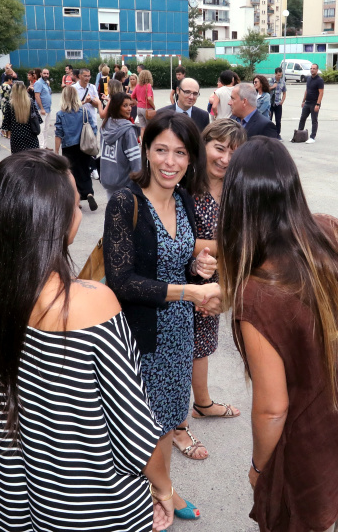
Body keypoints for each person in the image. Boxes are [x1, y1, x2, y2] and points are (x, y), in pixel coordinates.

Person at [0, 150, 175, 532]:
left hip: (6, 505)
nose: (79, 212)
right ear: (57, 223)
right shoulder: (92, 305)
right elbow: (135, 433)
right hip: (89, 513)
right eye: (75, 204)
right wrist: (164, 488)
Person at [216, 136, 338, 532]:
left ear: (237, 201)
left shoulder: (257, 296)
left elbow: (272, 409)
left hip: (317, 446)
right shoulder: (329, 232)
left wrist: (258, 467)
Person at [103, 111, 221, 523]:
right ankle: (162, 491)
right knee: (144, 424)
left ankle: (160, 487)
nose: (170, 162)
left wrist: (199, 269)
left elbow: (180, 260)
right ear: (146, 150)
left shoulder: (184, 199)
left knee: (169, 418)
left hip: (178, 331)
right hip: (138, 335)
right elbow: (122, 281)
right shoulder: (124, 203)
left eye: (180, 153)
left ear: (191, 159)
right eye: (161, 151)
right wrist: (189, 290)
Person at [172, 119, 246, 462]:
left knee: (201, 347)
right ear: (204, 146)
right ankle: (176, 425)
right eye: (219, 148)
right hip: (180, 281)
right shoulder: (184, 185)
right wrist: (220, 246)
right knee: (176, 352)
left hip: (213, 282)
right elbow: (174, 240)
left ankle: (202, 404)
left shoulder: (235, 189)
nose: (226, 158)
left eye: (234, 151)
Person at [55, 85, 99, 211]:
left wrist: (57, 151)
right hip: (84, 146)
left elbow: (58, 133)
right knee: (85, 170)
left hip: (69, 147)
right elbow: (93, 128)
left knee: (71, 173)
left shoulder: (60, 114)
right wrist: (93, 140)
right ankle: (89, 192)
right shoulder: (84, 111)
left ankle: (76, 199)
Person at [99, 93, 141, 195]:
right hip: (125, 184)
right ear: (116, 107)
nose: (129, 109)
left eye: (130, 105)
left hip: (108, 180)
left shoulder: (105, 125)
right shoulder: (128, 130)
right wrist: (140, 180)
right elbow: (135, 160)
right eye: (125, 105)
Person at [0, 81, 41, 154]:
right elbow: (38, 119)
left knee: (18, 159)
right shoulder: (30, 102)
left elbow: (6, 124)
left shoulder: (9, 104)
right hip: (30, 134)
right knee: (33, 157)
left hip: (17, 136)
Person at [298, 63, 324, 144]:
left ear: (317, 70)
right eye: (311, 68)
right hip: (307, 102)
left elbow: (321, 93)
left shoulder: (319, 80)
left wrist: (318, 104)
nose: (312, 70)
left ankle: (312, 137)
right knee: (302, 118)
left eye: (314, 68)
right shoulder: (309, 78)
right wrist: (303, 100)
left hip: (314, 103)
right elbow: (307, 90)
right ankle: (299, 134)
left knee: (314, 120)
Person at [32, 68, 54, 150]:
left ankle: (44, 145)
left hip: (48, 109)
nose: (46, 75)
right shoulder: (38, 83)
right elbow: (37, 96)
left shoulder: (46, 83)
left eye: (47, 74)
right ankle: (41, 147)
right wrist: (41, 108)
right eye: (44, 73)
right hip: (42, 110)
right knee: (41, 129)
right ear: (41, 74)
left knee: (46, 128)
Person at [269, 67, 287, 134]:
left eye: (280, 75)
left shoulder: (282, 82)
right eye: (278, 75)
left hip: (278, 103)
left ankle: (278, 134)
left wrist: (282, 101)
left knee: (278, 120)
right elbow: (266, 90)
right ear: (275, 74)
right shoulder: (270, 80)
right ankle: (269, 133)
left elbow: (284, 93)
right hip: (270, 103)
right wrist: (272, 87)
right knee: (269, 119)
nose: (279, 77)